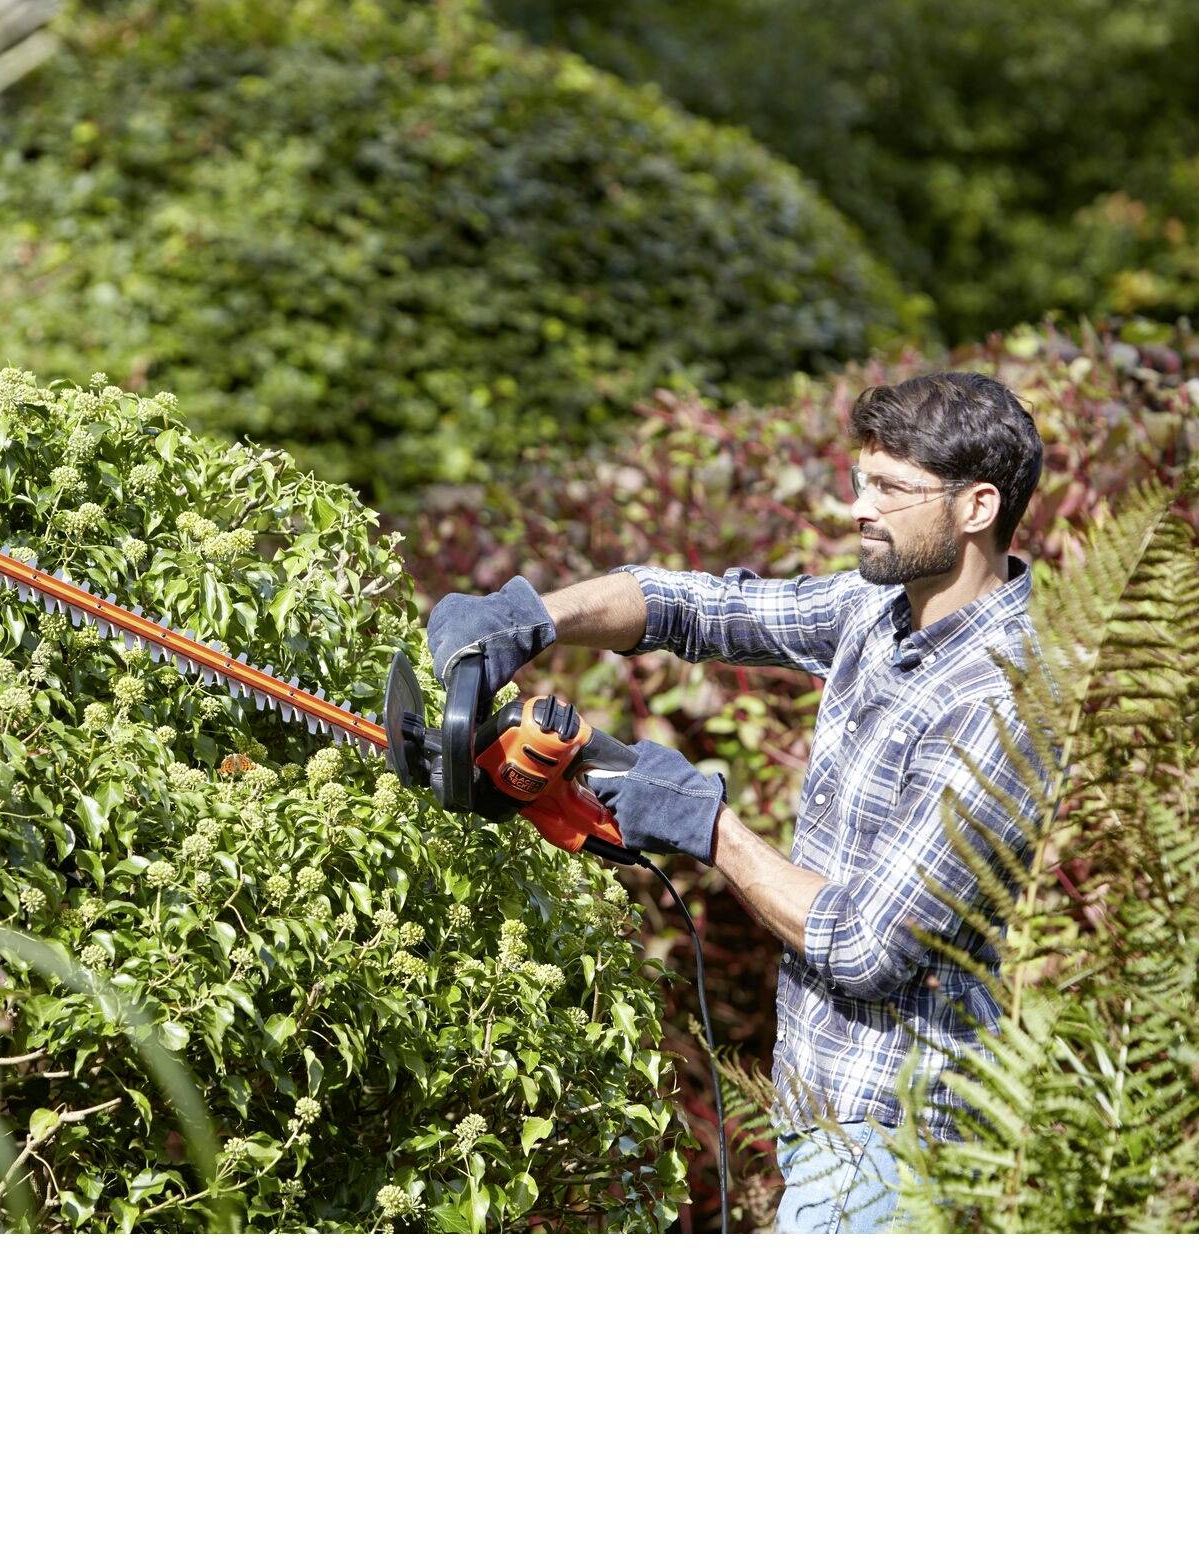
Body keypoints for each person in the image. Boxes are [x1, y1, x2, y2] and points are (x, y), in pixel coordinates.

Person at [425, 371, 1050, 1233]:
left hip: (895, 1143)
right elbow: (698, 607)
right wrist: (532, 618)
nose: (857, 508)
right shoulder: (881, 611)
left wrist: (701, 821)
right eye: (859, 479)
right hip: (825, 1111)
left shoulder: (999, 702)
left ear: (978, 507)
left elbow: (866, 942)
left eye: (890, 489)